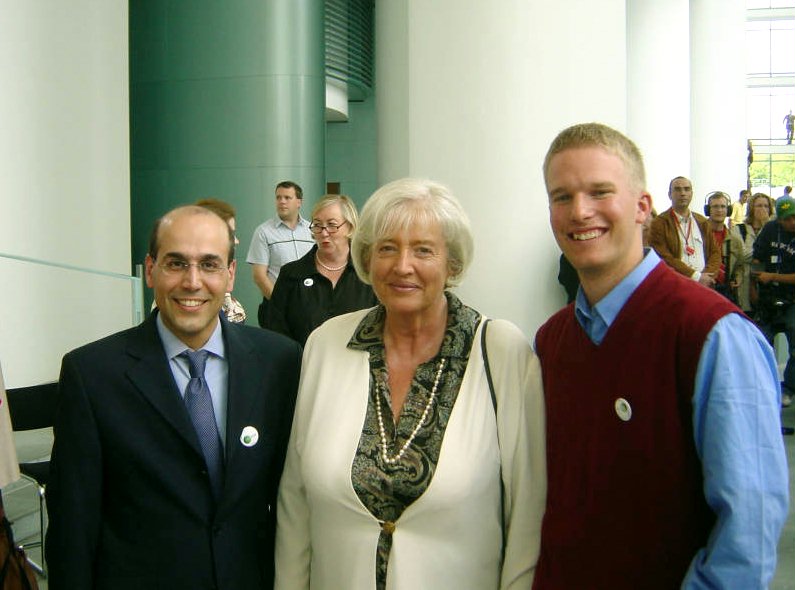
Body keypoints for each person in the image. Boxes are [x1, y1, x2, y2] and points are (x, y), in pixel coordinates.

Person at [534, 122, 788, 589]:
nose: (580, 212)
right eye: (562, 197)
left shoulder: (712, 334)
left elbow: (745, 535)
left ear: (642, 206)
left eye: (599, 191)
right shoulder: (552, 341)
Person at [275, 178, 546, 590]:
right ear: (366, 258)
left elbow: (528, 516)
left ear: (451, 264)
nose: (403, 266)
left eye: (423, 250)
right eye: (387, 248)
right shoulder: (326, 344)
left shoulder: (501, 351)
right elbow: (295, 502)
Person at [46, 206, 302, 590]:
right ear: (150, 270)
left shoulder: (279, 363)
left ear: (230, 274)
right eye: (176, 263)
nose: (192, 281)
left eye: (210, 264)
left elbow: (293, 501)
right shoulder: (93, 375)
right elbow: (73, 528)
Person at [266, 194, 377, 346]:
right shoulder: (291, 274)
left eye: (332, 225)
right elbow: (276, 329)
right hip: (302, 365)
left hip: (357, 365)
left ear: (350, 227)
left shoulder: (368, 274)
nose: (324, 233)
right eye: (317, 225)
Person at [246, 181, 314, 327]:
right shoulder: (264, 232)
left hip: (310, 306)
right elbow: (259, 276)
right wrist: (281, 304)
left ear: (299, 202)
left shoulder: (312, 230)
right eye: (278, 198)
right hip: (277, 309)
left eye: (287, 198)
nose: (282, 201)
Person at [752, 195, 795, 408]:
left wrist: (773, 277)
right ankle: (762, 387)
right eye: (787, 219)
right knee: (760, 343)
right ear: (779, 219)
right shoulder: (770, 230)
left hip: (792, 298)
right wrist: (756, 282)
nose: (792, 223)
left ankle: (788, 389)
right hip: (768, 298)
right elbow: (757, 259)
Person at [649, 176, 721, 287]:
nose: (683, 193)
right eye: (677, 189)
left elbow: (715, 253)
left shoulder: (702, 221)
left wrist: (706, 276)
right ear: (669, 195)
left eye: (687, 189)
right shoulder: (660, 223)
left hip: (704, 285)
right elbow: (664, 257)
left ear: (691, 194)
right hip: (676, 285)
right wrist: (695, 276)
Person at [730, 192, 774, 313]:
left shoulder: (774, 232)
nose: (763, 209)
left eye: (766, 206)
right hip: (744, 284)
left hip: (766, 283)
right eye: (759, 206)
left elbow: (772, 253)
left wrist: (766, 226)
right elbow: (743, 255)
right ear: (751, 208)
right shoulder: (739, 229)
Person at [704, 191, 742, 301]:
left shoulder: (735, 239)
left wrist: (737, 278)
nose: (719, 210)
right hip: (703, 290)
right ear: (708, 210)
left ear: (728, 210)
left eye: (723, 206)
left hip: (726, 294)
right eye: (715, 206)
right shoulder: (698, 235)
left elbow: (740, 265)